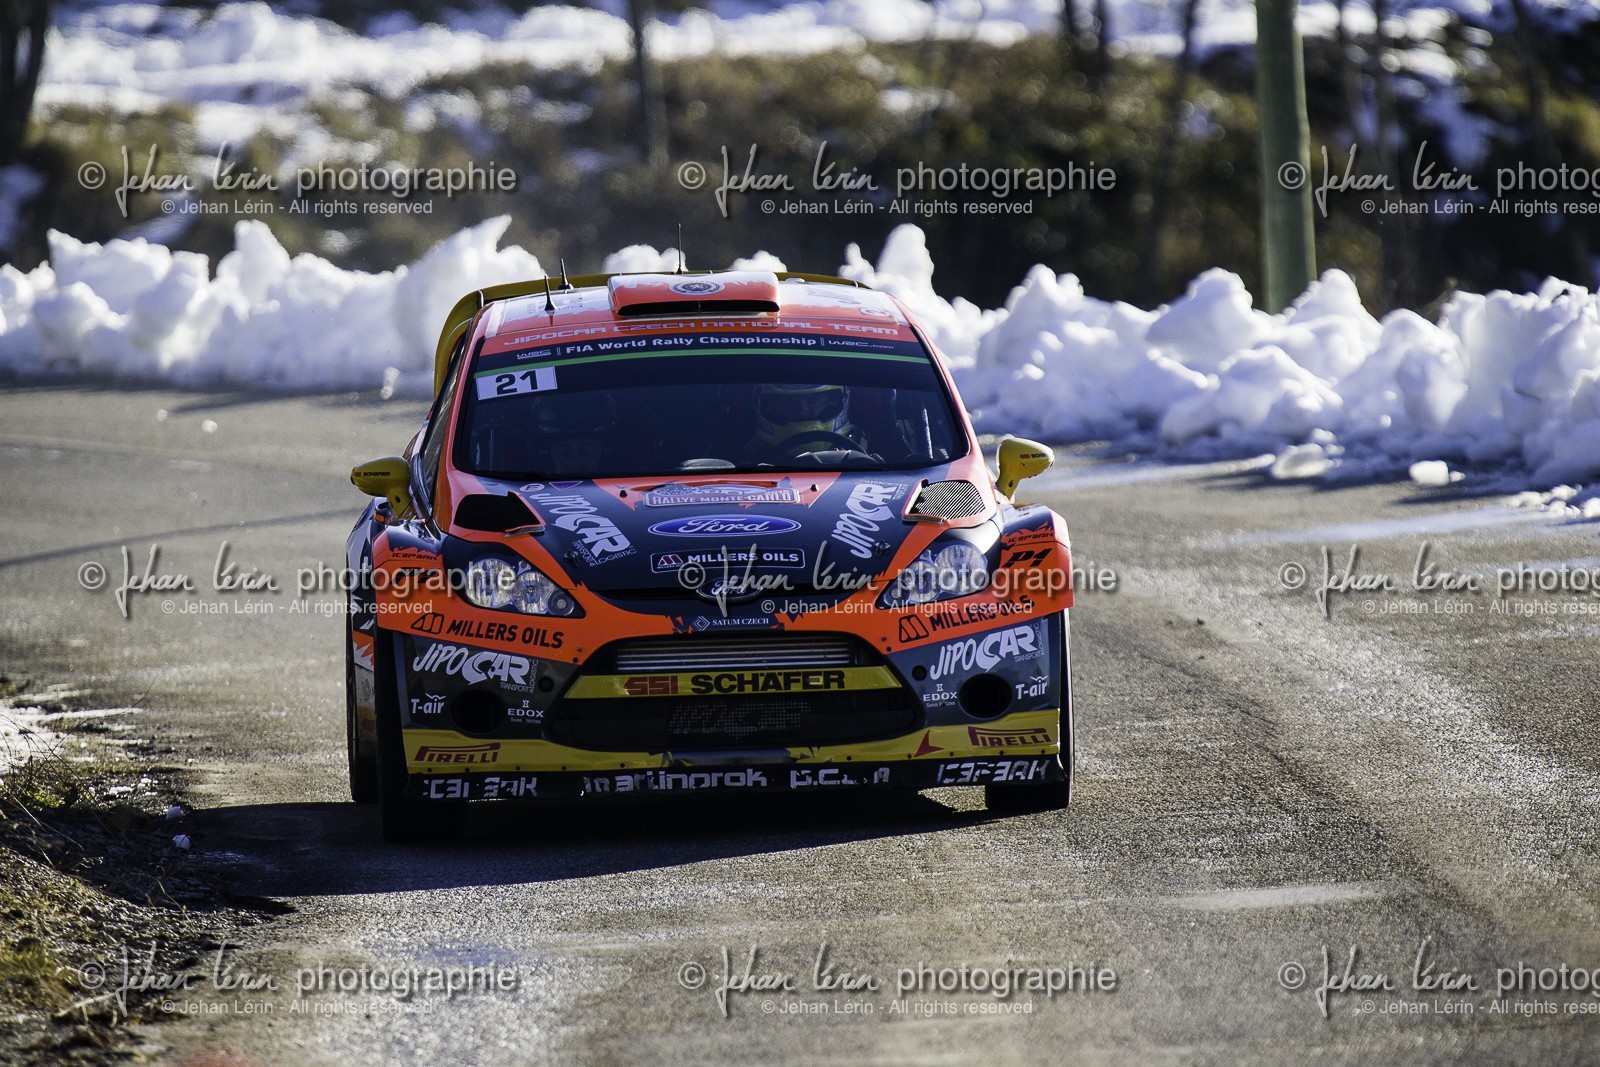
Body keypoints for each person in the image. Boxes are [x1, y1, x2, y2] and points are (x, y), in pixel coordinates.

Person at [748, 383, 867, 460]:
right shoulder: (749, 454)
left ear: (833, 401)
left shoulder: (863, 444)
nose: (802, 410)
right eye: (788, 401)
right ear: (770, 404)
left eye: (813, 399)